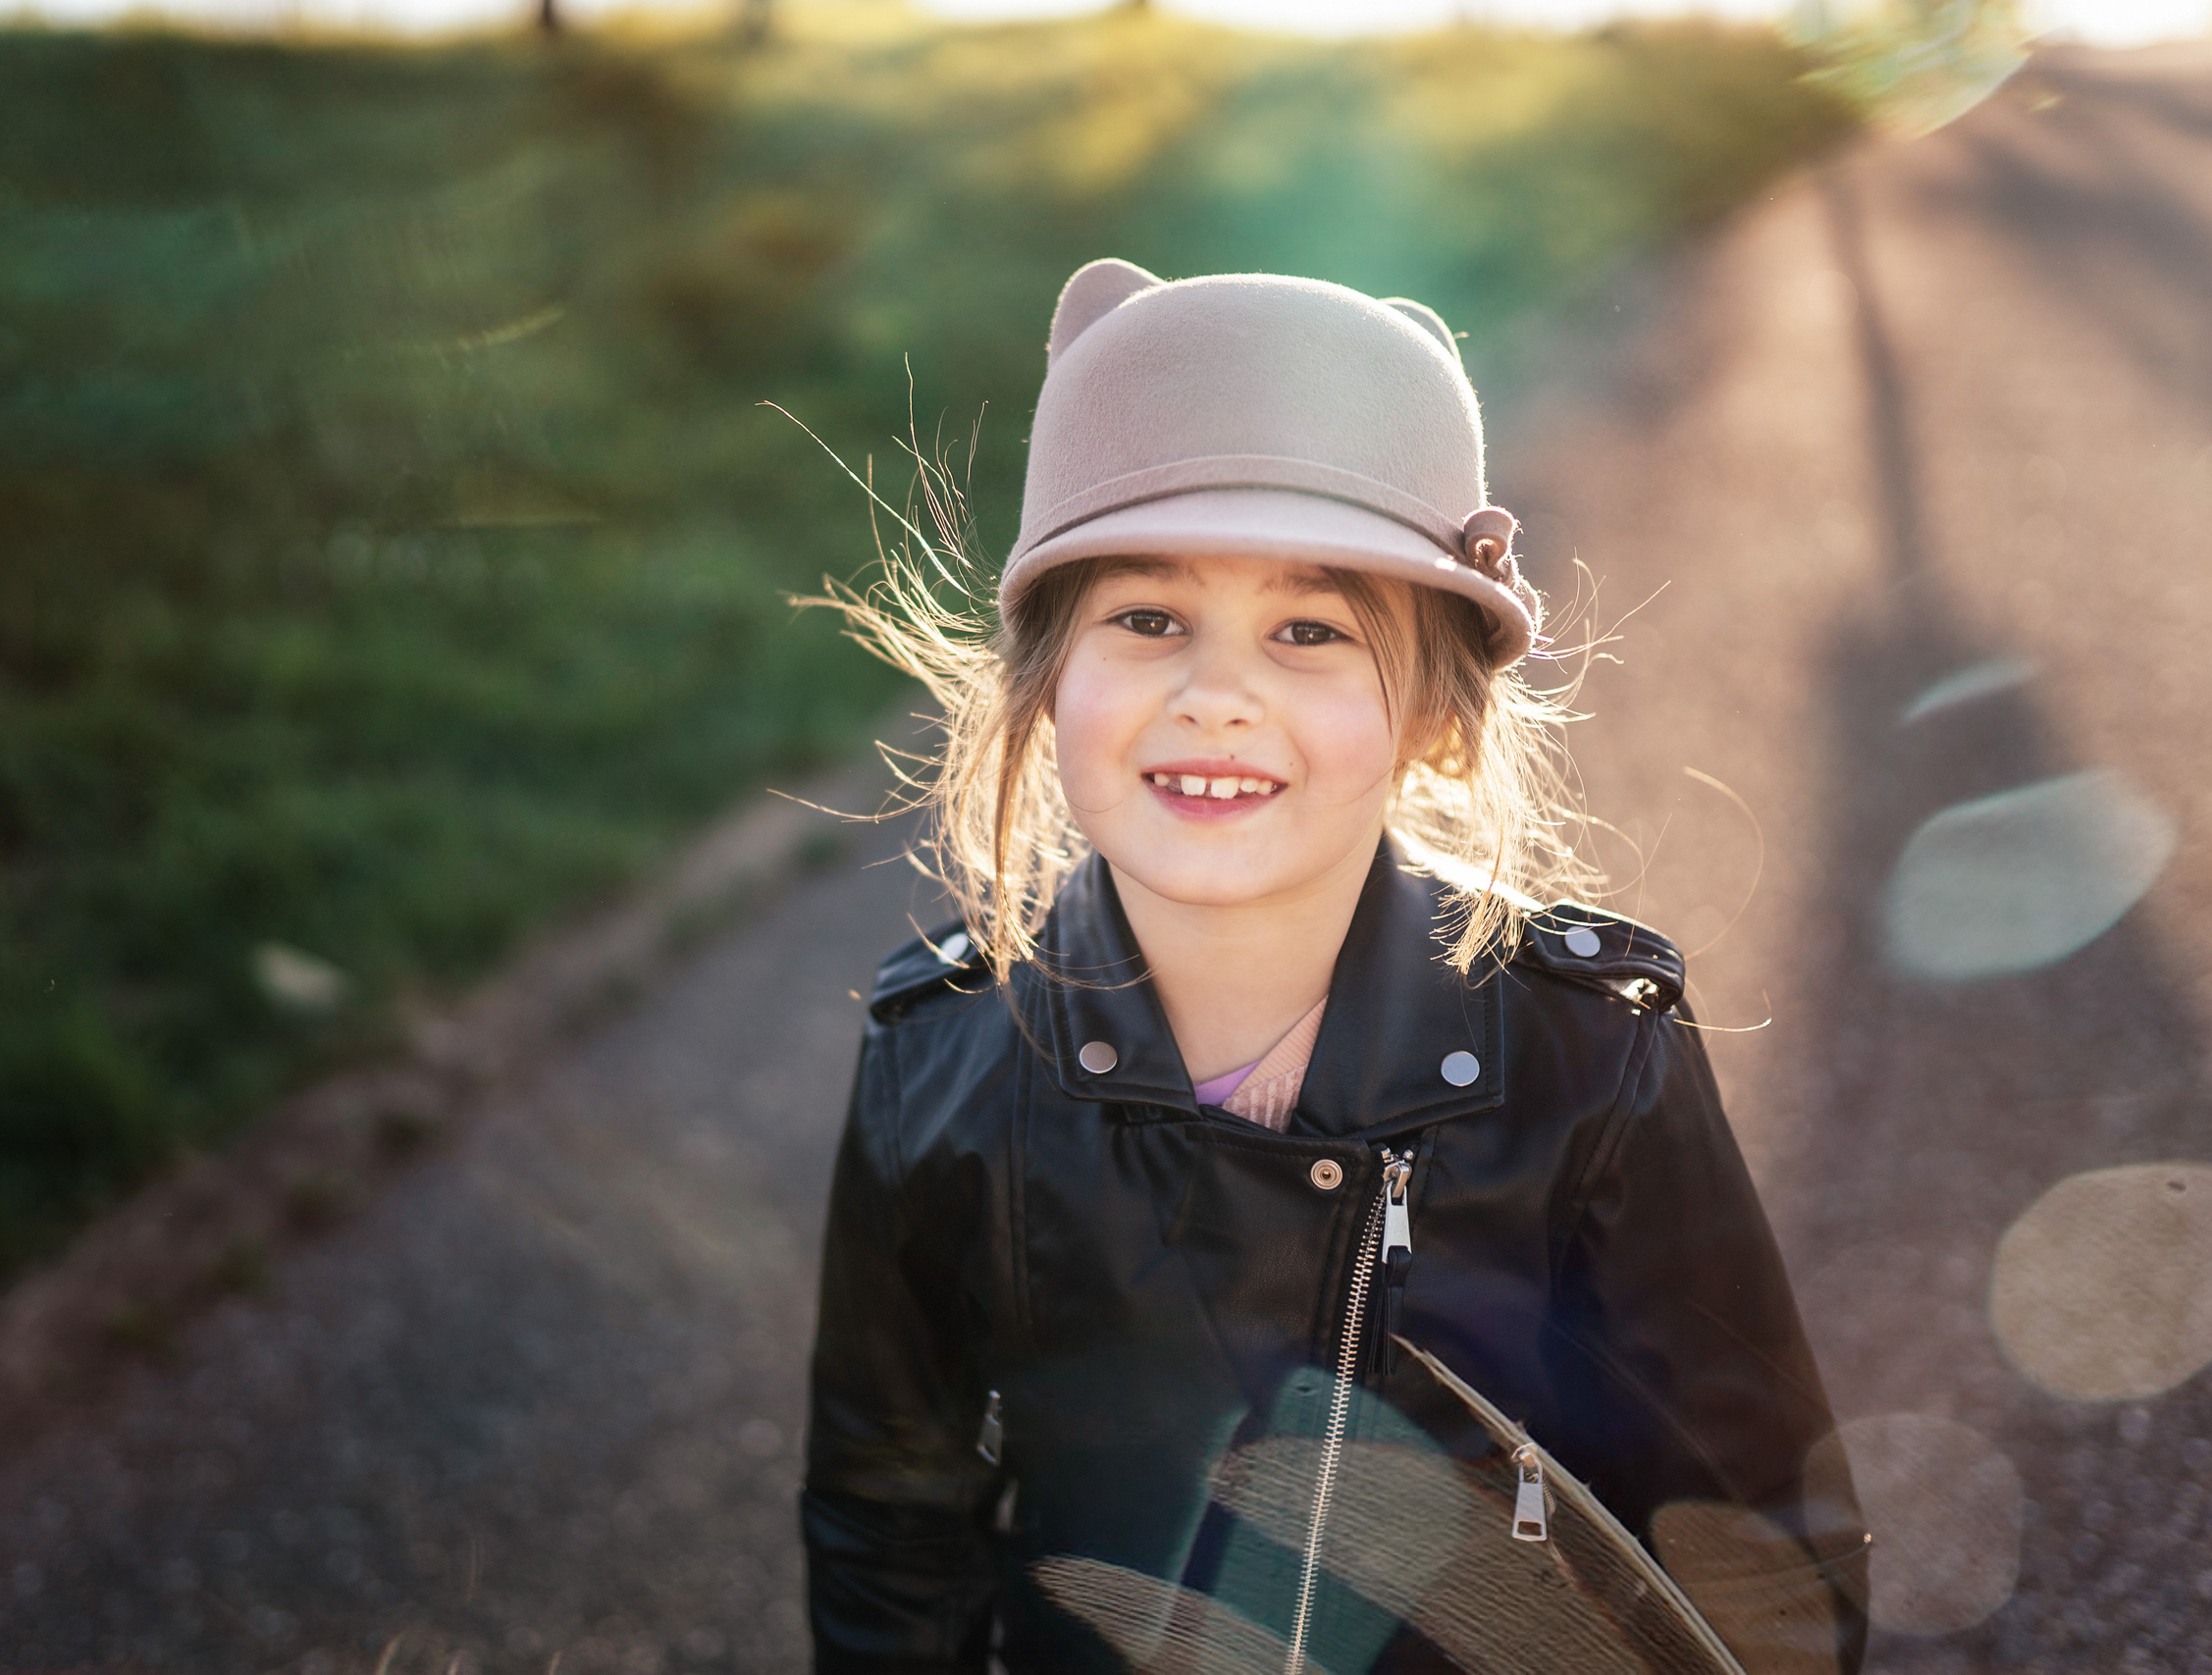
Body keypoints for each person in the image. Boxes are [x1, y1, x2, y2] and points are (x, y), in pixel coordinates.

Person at [800, 260, 1870, 1673]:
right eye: (1146, 618)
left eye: (1309, 630)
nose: (1217, 691)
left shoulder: (1591, 1055)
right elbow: (891, 1524)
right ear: (1049, 679)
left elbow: (1764, 1547)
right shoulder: (938, 1056)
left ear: (1433, 712)